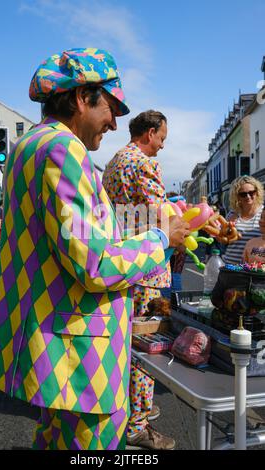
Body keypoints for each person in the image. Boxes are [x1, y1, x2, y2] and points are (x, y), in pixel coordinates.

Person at [0, 48, 190, 451]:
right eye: (111, 107)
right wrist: (162, 239)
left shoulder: (29, 147)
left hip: (50, 344)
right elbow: (94, 263)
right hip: (80, 354)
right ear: (82, 97)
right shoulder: (65, 150)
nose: (115, 123)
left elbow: (75, 238)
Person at [103, 110, 175, 450]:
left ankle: (127, 409)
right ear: (149, 133)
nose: (161, 146)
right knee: (146, 347)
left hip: (122, 265)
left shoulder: (115, 161)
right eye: (161, 138)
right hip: (147, 266)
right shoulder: (145, 163)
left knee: (124, 343)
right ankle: (138, 422)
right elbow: (161, 213)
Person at [223, 176, 264, 265]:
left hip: (254, 269)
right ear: (237, 196)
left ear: (257, 192)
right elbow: (224, 239)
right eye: (243, 194)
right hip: (231, 265)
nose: (248, 196)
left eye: (251, 192)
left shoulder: (263, 214)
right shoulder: (232, 214)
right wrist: (226, 232)